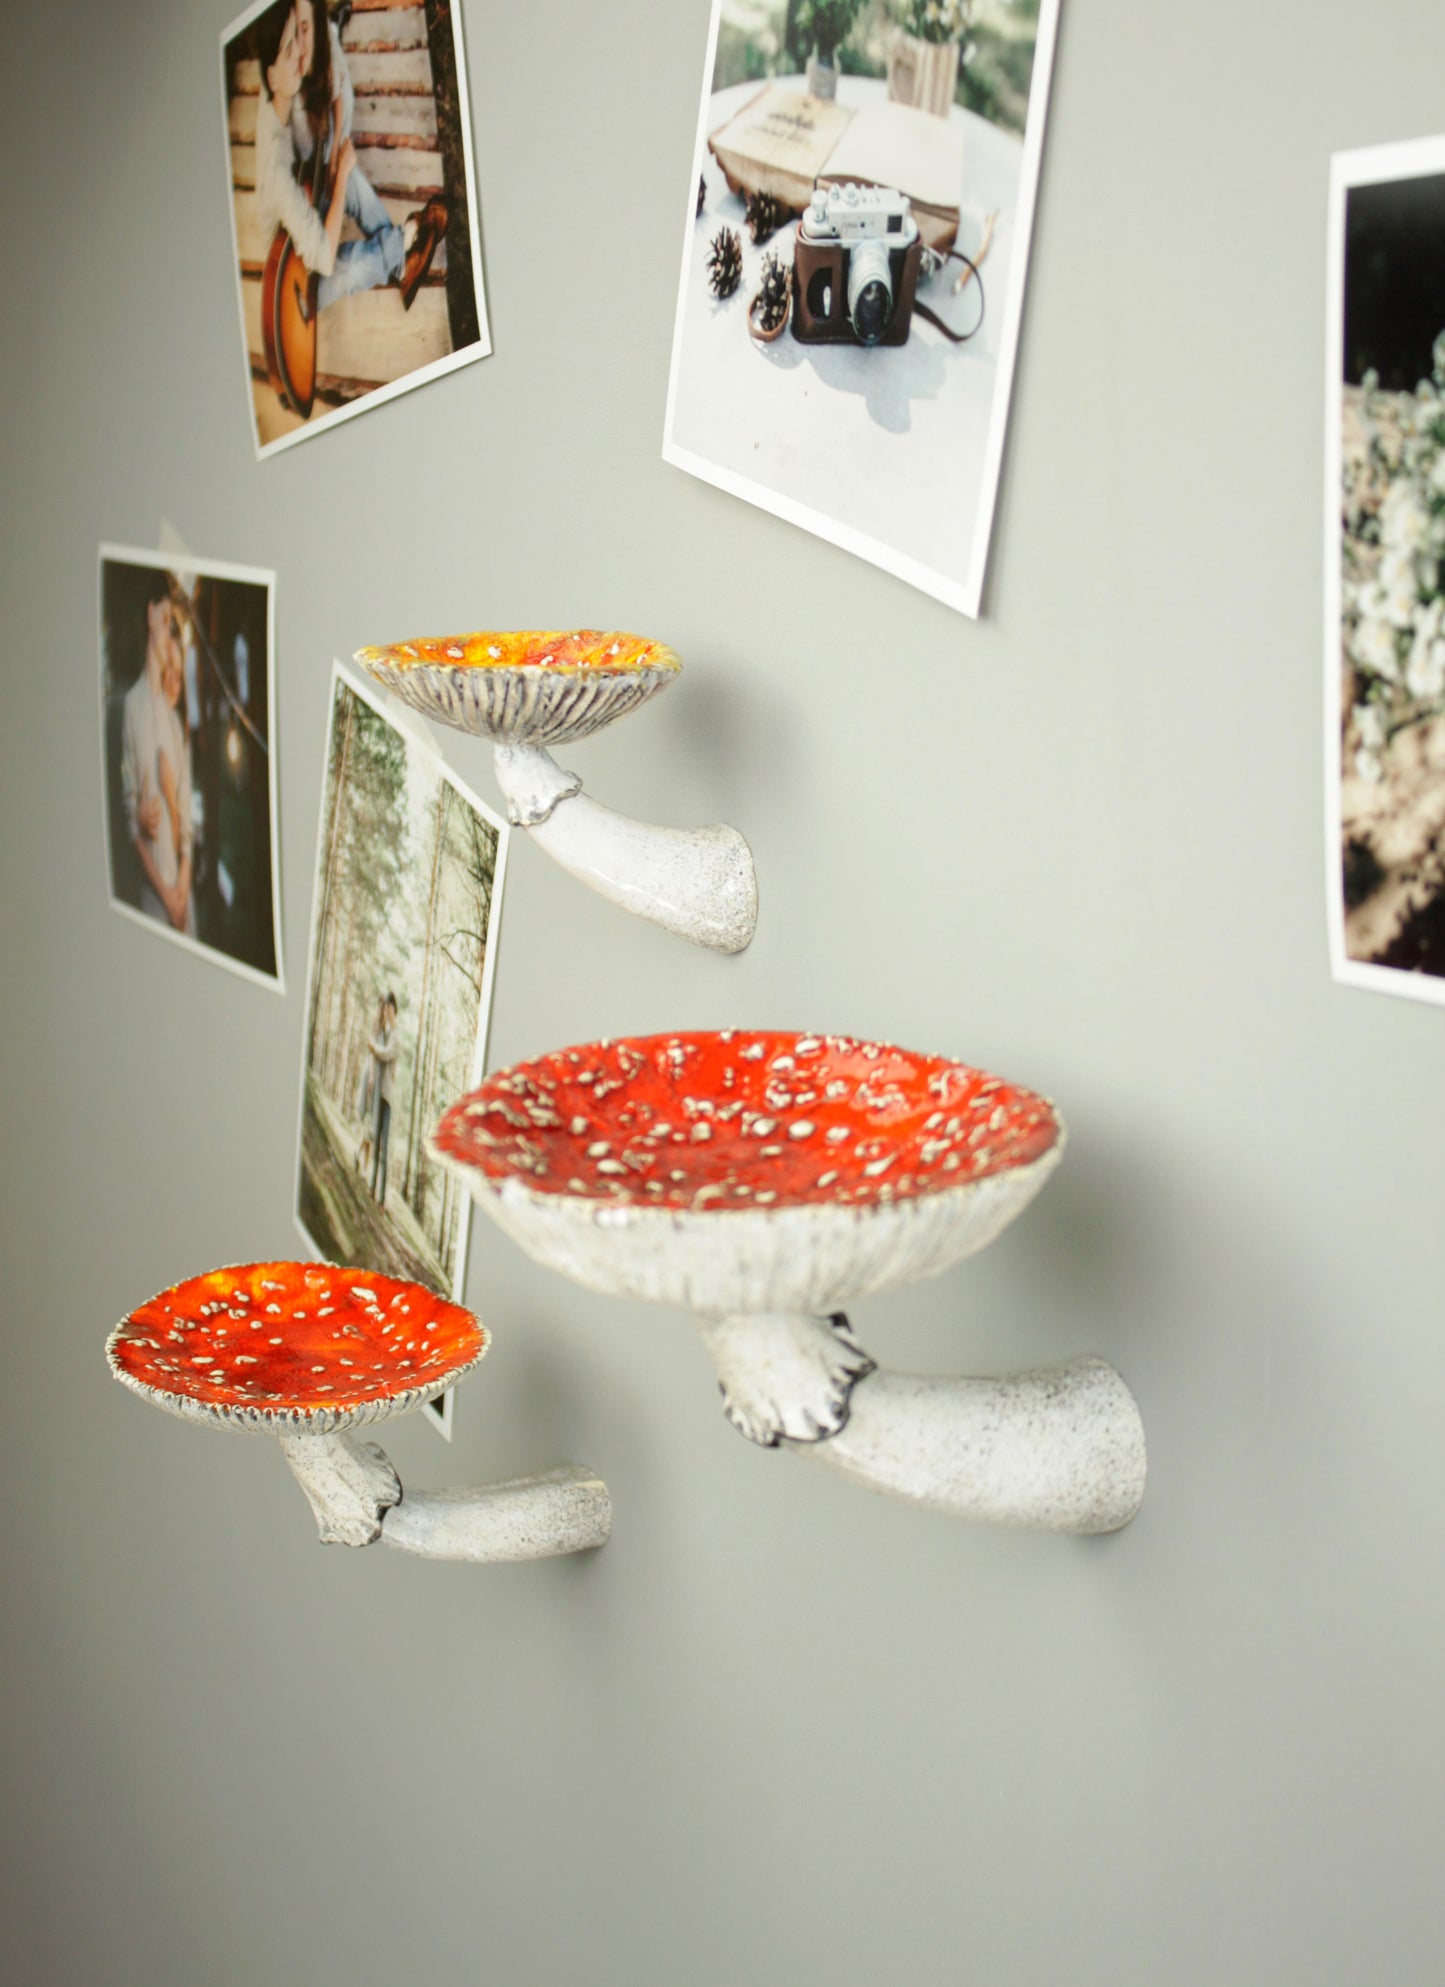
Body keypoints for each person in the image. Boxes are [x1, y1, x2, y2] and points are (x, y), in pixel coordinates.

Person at [251, 0, 447, 317]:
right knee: (344, 263)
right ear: (271, 78)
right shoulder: (276, 171)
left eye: (301, 36)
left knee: (346, 174)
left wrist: (338, 166)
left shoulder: (281, 97)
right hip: (291, 275)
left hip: (303, 213)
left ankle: (404, 260)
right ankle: (406, 243)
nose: (300, 52)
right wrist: (340, 175)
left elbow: (335, 84)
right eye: (290, 49)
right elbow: (324, 258)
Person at [120, 574, 195, 935]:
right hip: (153, 904)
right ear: (150, 616)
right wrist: (166, 896)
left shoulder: (171, 720)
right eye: (164, 620)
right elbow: (129, 819)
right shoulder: (131, 707)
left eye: (172, 625)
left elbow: (185, 819)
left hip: (182, 901)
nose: (168, 632)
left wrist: (181, 891)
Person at [368, 993, 399, 1205]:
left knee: (385, 1148)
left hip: (388, 1097)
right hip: (379, 1092)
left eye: (390, 1009)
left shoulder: (396, 1036)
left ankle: (380, 1199)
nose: (387, 1012)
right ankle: (371, 1187)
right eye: (385, 1009)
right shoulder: (384, 1031)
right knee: (375, 1140)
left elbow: (387, 1053)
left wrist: (373, 1048)